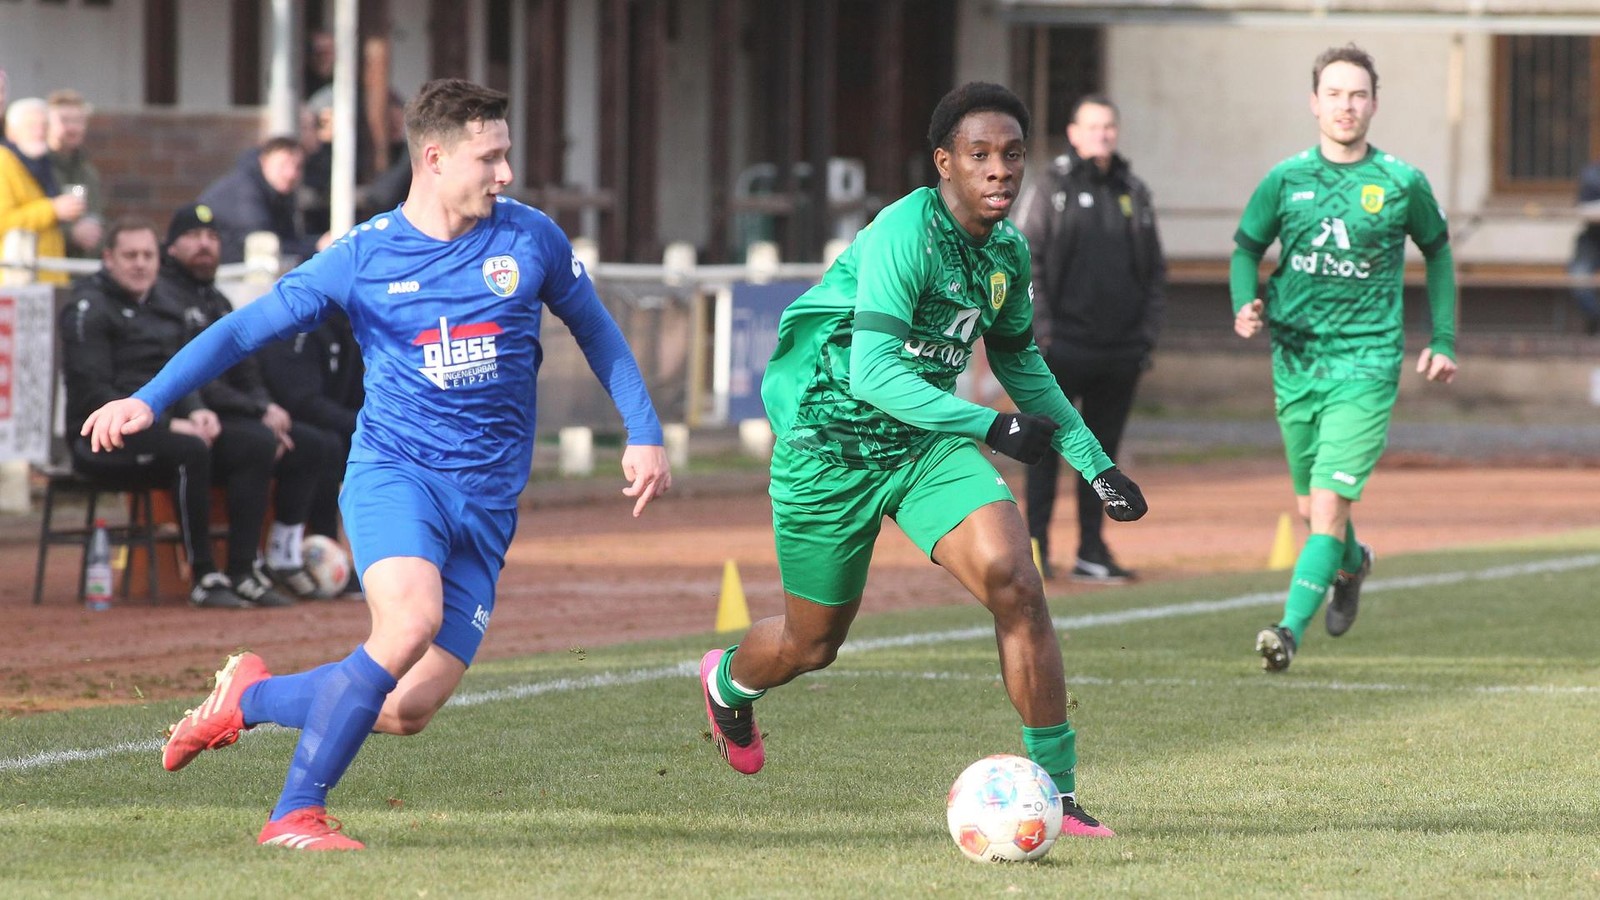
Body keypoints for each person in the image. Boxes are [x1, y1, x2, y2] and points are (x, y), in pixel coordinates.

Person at [81, 78, 671, 850]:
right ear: (433, 157)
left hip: (488, 506)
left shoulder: (532, 240)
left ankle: (248, 697)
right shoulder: (362, 256)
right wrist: (150, 400)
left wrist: (644, 428)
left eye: (506, 156)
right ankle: (294, 814)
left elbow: (597, 331)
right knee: (409, 620)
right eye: (489, 158)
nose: (504, 174)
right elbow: (243, 331)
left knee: (406, 709)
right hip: (398, 475)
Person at [696, 82, 1147, 838]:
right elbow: (874, 373)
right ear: (945, 164)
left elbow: (1022, 363)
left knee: (1016, 578)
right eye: (980, 156)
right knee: (813, 643)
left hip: (923, 445)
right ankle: (728, 684)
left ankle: (1059, 797)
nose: (1000, 171)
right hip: (827, 449)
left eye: (1012, 155)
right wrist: (991, 427)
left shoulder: (1006, 251)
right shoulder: (905, 232)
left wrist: (1095, 463)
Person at [1232, 44, 1458, 672]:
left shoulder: (1400, 182)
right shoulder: (1285, 179)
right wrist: (1243, 303)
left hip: (1366, 361)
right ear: (1314, 102)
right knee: (1310, 510)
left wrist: (1443, 339)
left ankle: (1287, 631)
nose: (1346, 105)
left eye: (1358, 94)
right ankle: (1353, 565)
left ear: (1374, 104)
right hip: (1296, 359)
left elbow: (1438, 253)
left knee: (1327, 507)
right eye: (1334, 93)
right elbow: (1246, 250)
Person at [58, 218, 290, 610]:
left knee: (255, 442)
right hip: (101, 437)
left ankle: (243, 569)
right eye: (130, 256)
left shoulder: (165, 307)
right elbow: (91, 394)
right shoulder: (88, 307)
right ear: (108, 259)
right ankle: (202, 574)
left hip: (161, 424)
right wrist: (171, 422)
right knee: (189, 449)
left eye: (147, 255)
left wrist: (197, 410)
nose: (140, 264)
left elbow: (180, 374)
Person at [1014, 93, 1164, 583]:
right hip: (1061, 348)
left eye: (1109, 127)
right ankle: (1035, 547)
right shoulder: (1052, 187)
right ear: (1074, 133)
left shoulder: (1133, 190)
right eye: (1092, 126)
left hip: (1120, 350)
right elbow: (1026, 258)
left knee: (1101, 451)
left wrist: (1145, 336)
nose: (1102, 134)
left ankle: (1092, 550)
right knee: (1046, 447)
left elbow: (1154, 271)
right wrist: (1043, 332)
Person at [160, 201, 339, 599]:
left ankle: (283, 555)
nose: (204, 245)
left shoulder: (216, 299)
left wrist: (267, 407)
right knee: (257, 444)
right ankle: (240, 567)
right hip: (195, 419)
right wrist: (257, 411)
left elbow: (246, 368)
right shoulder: (163, 299)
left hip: (232, 415)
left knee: (312, 443)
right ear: (170, 247)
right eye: (192, 237)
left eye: (211, 237)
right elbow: (193, 377)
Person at [258, 306, 364, 560]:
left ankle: (378, 553)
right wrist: (363, 423)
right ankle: (305, 550)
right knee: (324, 444)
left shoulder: (352, 328)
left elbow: (357, 396)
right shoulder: (297, 324)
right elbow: (301, 400)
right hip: (278, 420)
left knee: (380, 445)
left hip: (324, 422)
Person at [196, 135, 328, 266]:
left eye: (298, 167)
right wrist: (316, 245)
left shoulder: (279, 191)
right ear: (264, 162)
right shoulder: (245, 190)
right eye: (283, 165)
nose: (291, 174)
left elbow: (288, 240)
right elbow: (264, 245)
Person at [1, 96, 85, 283]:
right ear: (11, 132)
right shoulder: (4, 163)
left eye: (45, 126)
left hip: (45, 276)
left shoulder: (43, 164)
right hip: (13, 280)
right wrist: (52, 210)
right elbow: (3, 221)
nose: (39, 132)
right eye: (31, 126)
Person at [47, 88, 106, 257]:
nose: (72, 128)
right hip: (45, 267)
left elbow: (93, 215)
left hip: (82, 270)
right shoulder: (36, 167)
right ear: (47, 124)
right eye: (64, 120)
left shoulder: (86, 172)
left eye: (78, 121)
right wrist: (70, 234)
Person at [1567, 158, 1600, 336]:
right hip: (1593, 239)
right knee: (1579, 277)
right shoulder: (1592, 174)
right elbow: (1581, 207)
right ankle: (1595, 317)